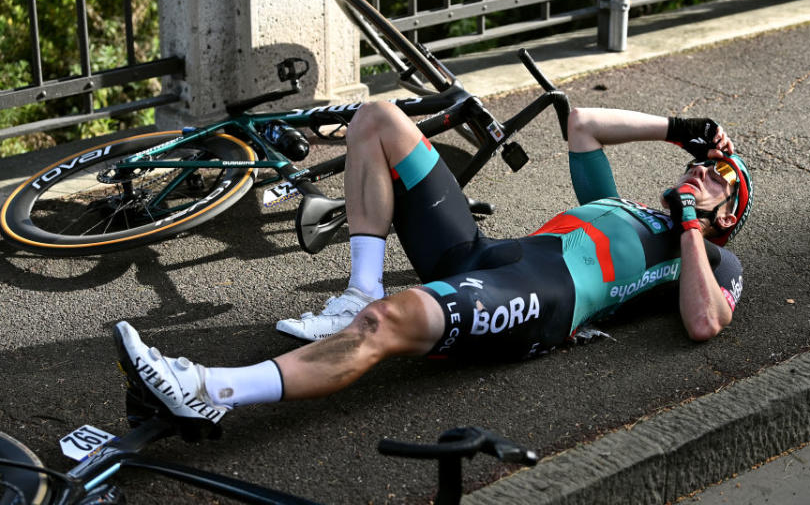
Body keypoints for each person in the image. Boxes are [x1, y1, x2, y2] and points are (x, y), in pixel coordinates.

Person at [115, 102, 753, 426]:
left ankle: (209, 391)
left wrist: (693, 222)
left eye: (719, 178)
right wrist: (681, 127)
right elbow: (582, 123)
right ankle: (355, 287)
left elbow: (703, 322)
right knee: (379, 118)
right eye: (701, 165)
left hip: (537, 296)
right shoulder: (617, 204)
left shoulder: (710, 256)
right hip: (480, 253)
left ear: (730, 214)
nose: (701, 172)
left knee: (386, 324)